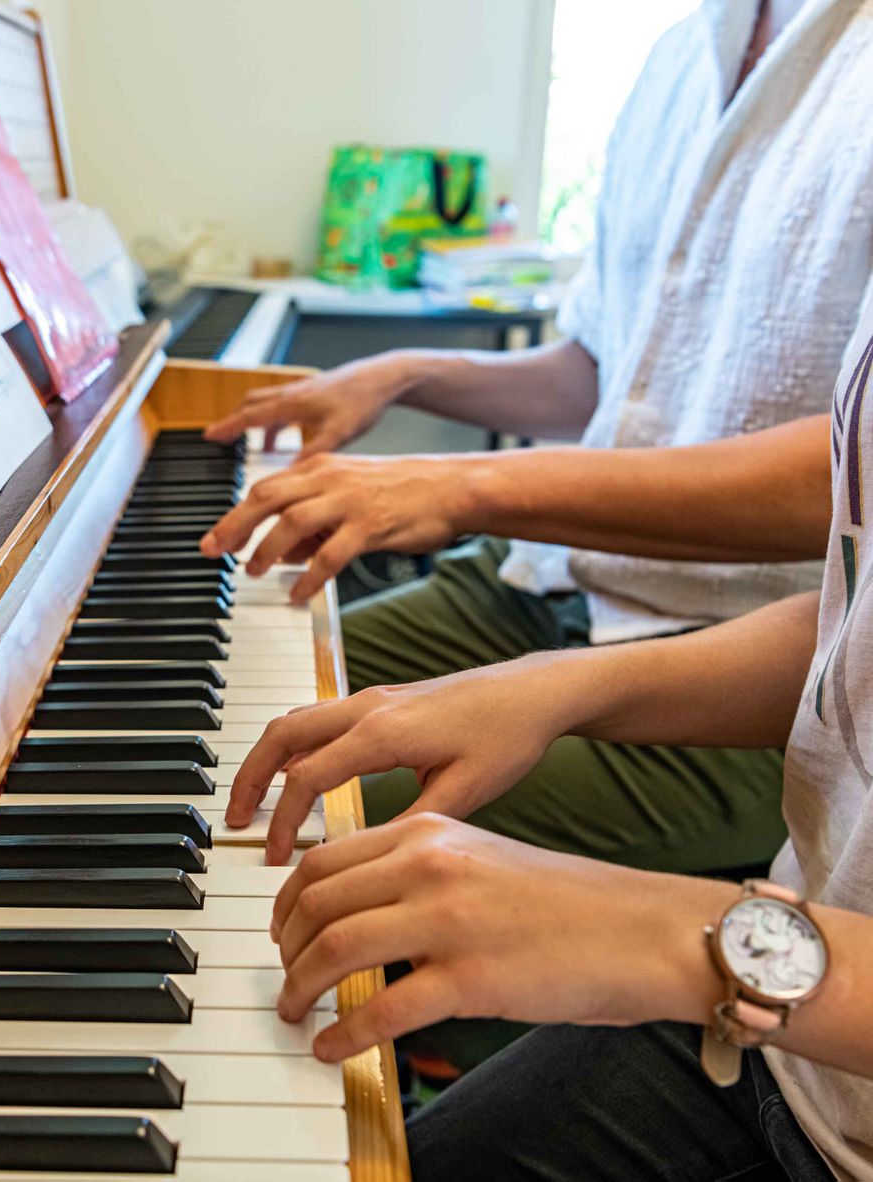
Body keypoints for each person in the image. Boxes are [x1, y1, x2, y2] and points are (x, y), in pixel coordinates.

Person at [203, 0, 873, 898]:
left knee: (269, 812)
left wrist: (469, 482)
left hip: (742, 676)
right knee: (223, 708)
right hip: (537, 587)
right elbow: (602, 372)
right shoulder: (680, 56)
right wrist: (405, 373)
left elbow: (841, 482)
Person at [231, 299, 873, 1179]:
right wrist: (563, 685)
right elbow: (858, 616)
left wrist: (671, 936)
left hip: (794, 1019)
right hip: (780, 1024)